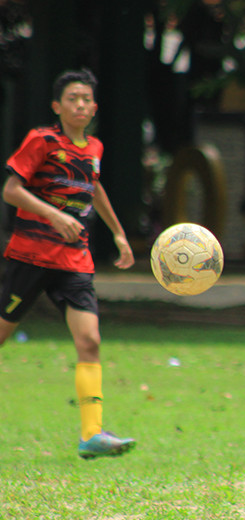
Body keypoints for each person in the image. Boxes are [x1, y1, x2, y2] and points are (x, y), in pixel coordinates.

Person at [1, 68, 136, 459]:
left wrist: (119, 232)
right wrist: (55, 215)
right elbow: (11, 191)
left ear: (94, 108)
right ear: (57, 106)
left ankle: (91, 433)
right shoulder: (41, 141)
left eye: (86, 99)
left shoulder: (94, 148)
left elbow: (93, 186)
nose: (80, 104)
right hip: (31, 255)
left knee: (90, 341)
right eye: (72, 98)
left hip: (75, 259)